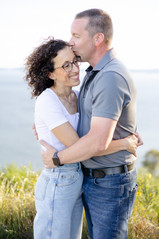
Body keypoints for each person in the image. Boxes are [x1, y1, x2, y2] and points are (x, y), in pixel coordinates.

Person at [39, 9, 143, 239]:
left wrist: (57, 158)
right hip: (95, 179)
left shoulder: (109, 76)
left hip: (109, 182)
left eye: (76, 35)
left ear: (97, 39)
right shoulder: (95, 73)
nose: (70, 41)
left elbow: (97, 141)